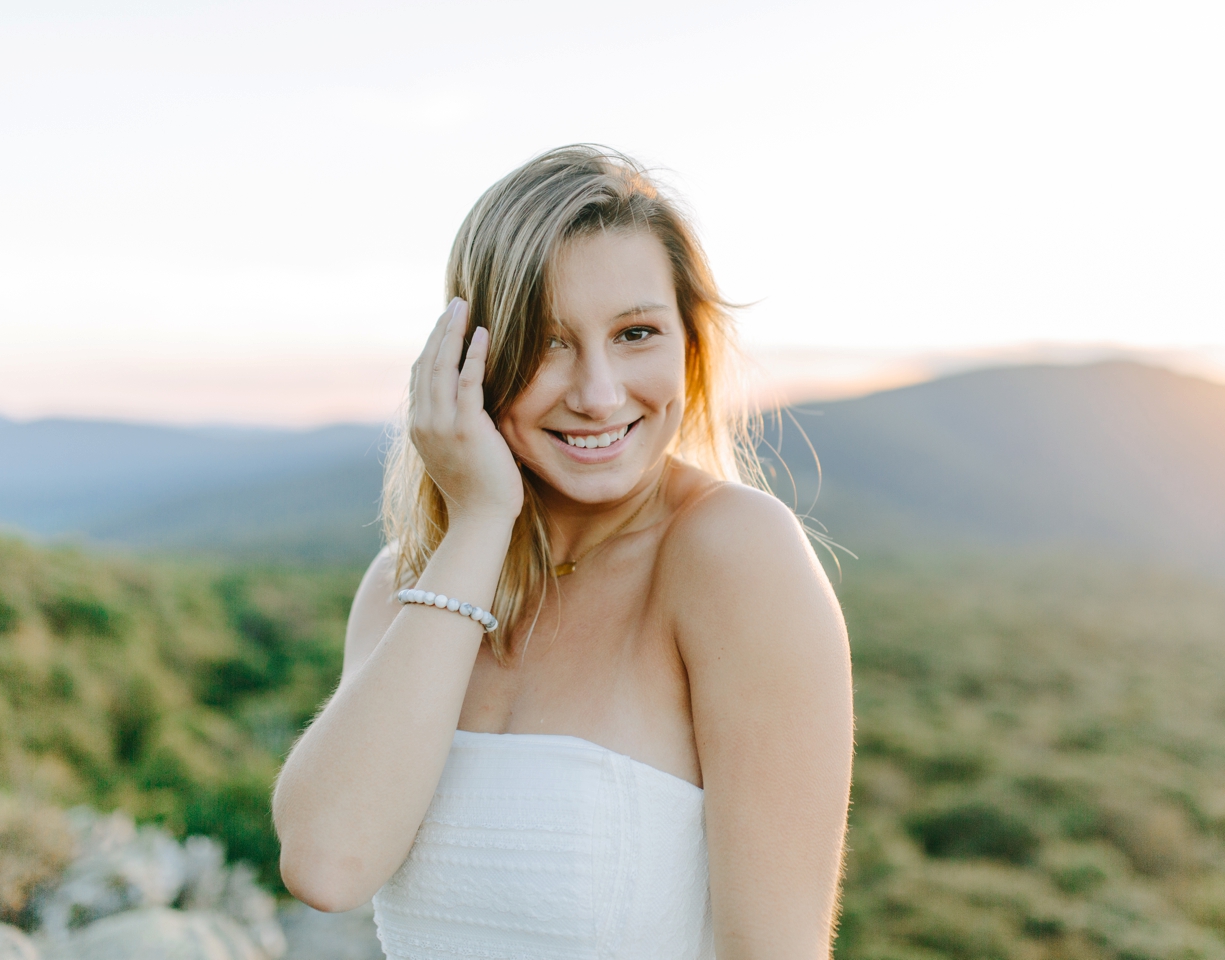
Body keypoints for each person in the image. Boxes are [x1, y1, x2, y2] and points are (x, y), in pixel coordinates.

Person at [272, 145, 853, 959]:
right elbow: (328, 865)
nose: (599, 393)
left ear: (689, 343)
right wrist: (478, 525)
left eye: (636, 333)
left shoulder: (734, 556)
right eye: (547, 343)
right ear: (472, 359)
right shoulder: (411, 583)